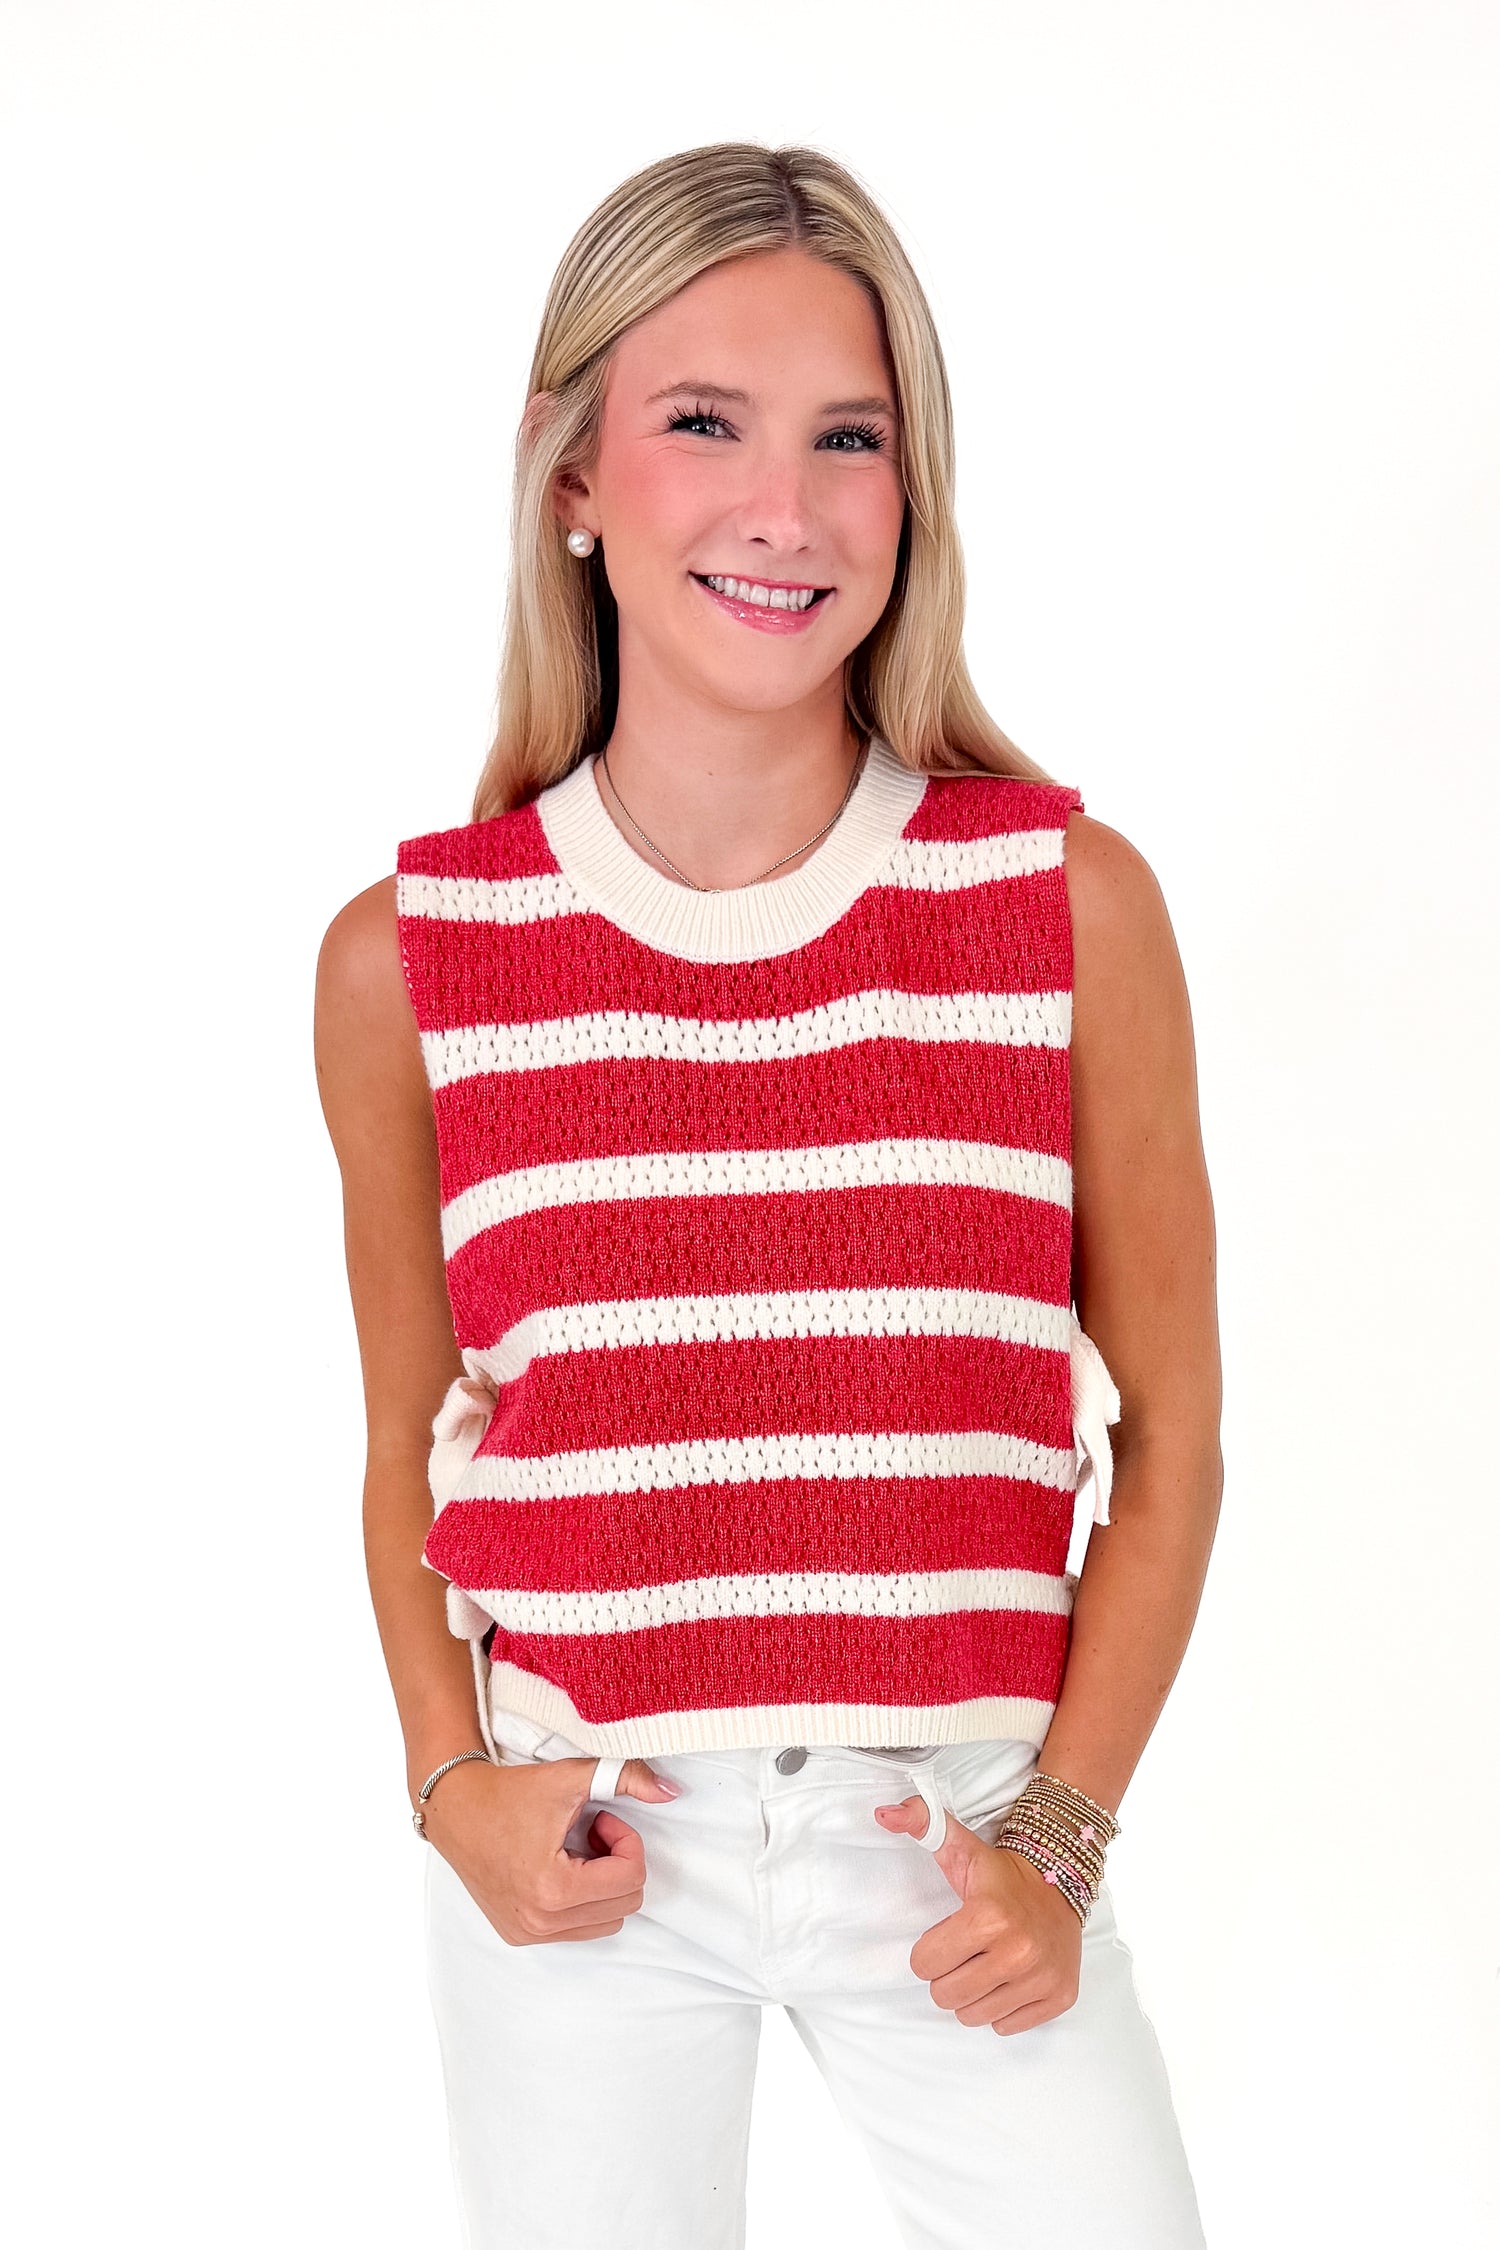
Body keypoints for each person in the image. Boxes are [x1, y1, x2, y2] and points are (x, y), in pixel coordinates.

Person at [314, 140, 1220, 2250]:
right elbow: (403, 1441)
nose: (784, 511)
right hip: (593, 1858)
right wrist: (458, 1793)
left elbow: (1168, 1434)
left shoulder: (1060, 908)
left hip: (960, 1841)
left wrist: (1063, 1834)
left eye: (851, 439)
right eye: (701, 424)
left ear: (916, 496)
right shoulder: (412, 960)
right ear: (574, 477)